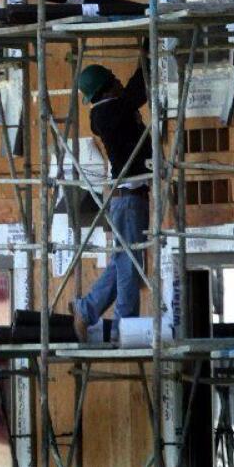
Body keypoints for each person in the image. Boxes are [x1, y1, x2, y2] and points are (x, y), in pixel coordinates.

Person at [70, 63, 151, 340]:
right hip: (127, 198)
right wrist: (147, 56)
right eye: (114, 79)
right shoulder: (107, 113)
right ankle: (123, 328)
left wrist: (146, 57)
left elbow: (132, 92)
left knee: (123, 261)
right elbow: (137, 92)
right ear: (105, 89)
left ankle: (87, 309)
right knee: (129, 264)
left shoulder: (114, 107)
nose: (119, 81)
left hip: (132, 197)